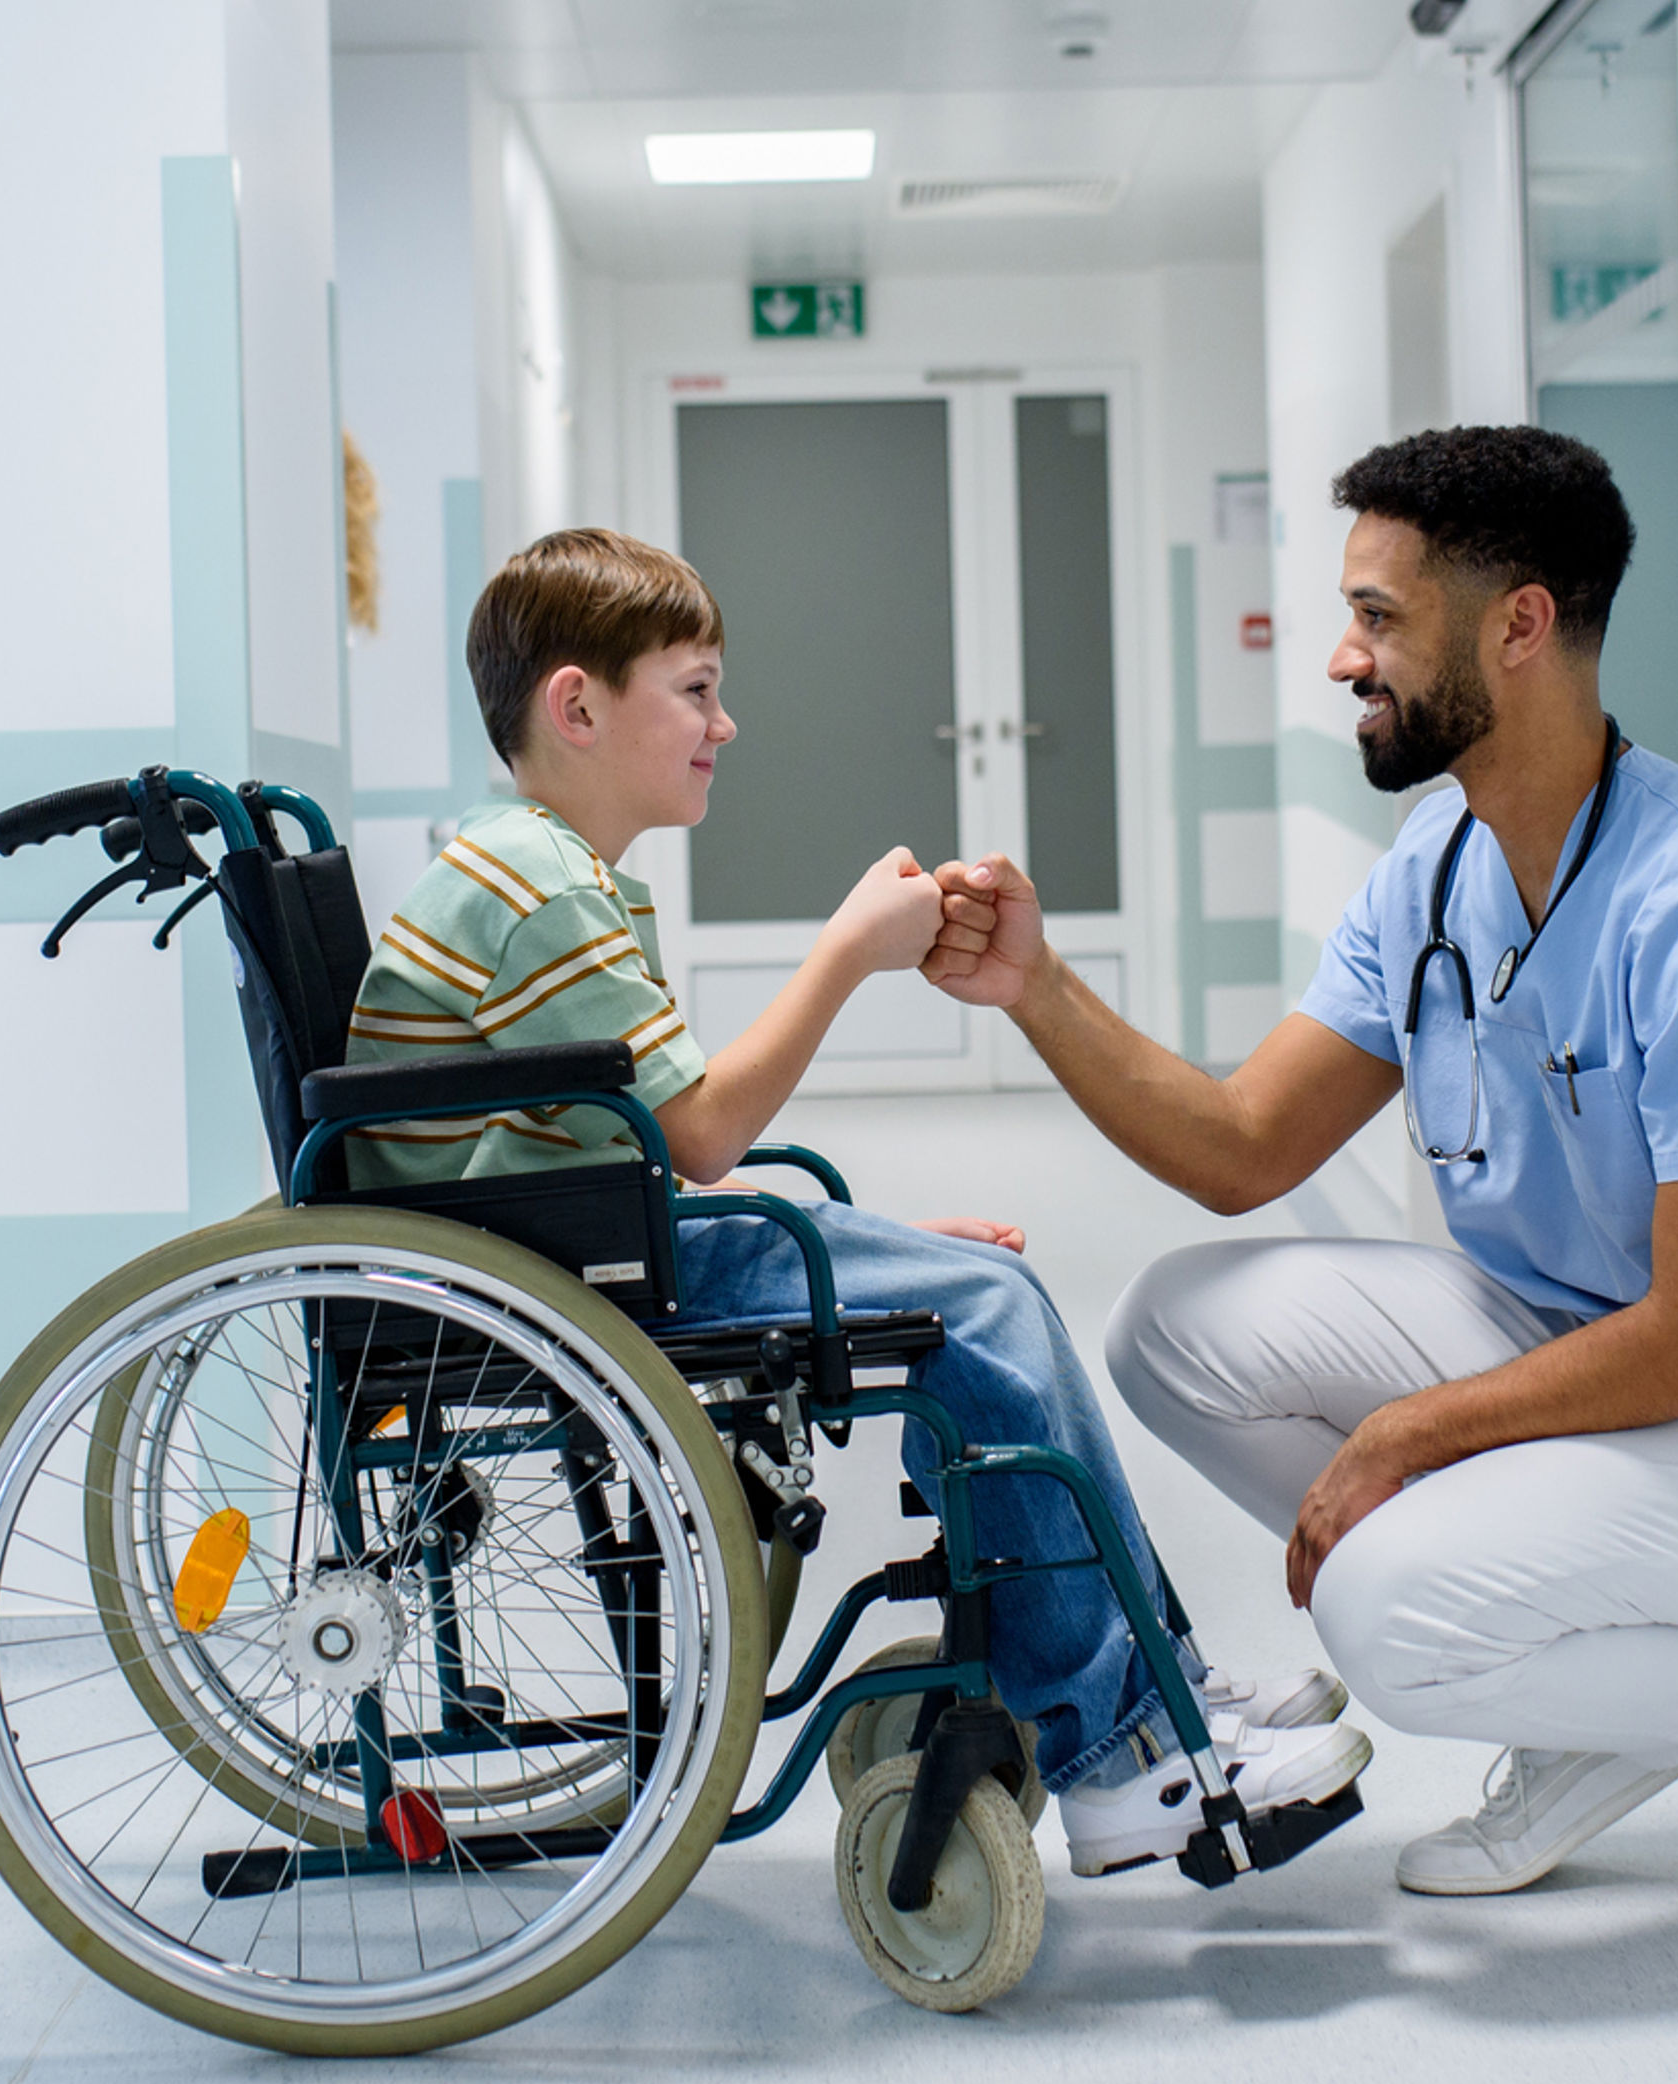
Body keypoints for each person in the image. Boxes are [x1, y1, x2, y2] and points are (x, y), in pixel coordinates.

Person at [923, 427, 1678, 1941]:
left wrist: (1410, 1435)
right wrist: (1038, 987)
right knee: (1173, 1326)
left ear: (1519, 624)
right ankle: (1609, 1712)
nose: (1339, 659)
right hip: (1616, 1350)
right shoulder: (1439, 861)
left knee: (1391, 1613)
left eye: (1378, 617)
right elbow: (1246, 1148)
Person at [347, 526, 1369, 1875]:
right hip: (539, 1277)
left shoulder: (536, 865)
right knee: (985, 1313)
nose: (727, 721)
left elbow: (637, 1143)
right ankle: (1122, 1751)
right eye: (697, 688)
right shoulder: (537, 886)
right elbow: (705, 1136)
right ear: (578, 706)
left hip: (569, 1241)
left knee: (974, 1291)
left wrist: (867, 1243)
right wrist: (848, 954)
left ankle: (1144, 1688)